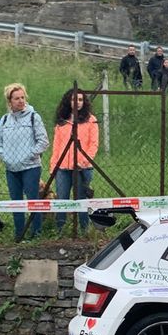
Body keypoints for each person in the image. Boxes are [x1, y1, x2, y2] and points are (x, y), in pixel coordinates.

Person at [0, 83, 49, 239]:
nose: (20, 101)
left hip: (30, 167)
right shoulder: (5, 120)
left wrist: (30, 154)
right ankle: (19, 234)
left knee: (32, 201)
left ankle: (36, 233)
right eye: (16, 98)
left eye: (22, 97)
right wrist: (5, 157)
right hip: (11, 168)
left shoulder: (33, 117)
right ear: (10, 101)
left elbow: (43, 141)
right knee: (16, 202)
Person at [49, 88, 99, 232]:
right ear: (68, 101)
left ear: (84, 102)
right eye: (73, 99)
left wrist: (82, 162)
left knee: (81, 200)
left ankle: (84, 230)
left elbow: (93, 145)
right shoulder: (62, 122)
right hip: (62, 169)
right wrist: (54, 167)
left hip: (82, 168)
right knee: (61, 200)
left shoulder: (91, 120)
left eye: (80, 99)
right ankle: (60, 230)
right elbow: (56, 147)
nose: (77, 102)